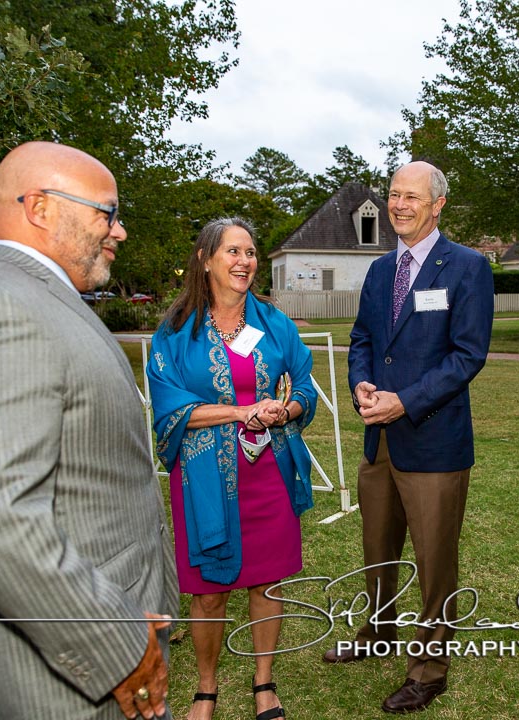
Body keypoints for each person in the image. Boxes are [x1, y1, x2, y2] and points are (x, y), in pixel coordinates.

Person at [0, 141, 177, 720]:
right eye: (105, 213)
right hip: (55, 679)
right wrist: (114, 646)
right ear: (39, 207)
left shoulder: (43, 299)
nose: (120, 230)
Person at [322, 161, 493, 713]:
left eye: (411, 197)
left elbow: (469, 355)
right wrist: (361, 386)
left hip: (433, 440)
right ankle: (377, 633)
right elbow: (364, 338)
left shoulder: (466, 267)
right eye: (393, 195)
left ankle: (430, 667)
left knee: (434, 559)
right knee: (377, 550)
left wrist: (406, 400)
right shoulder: (379, 271)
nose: (398, 205)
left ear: (437, 204)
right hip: (380, 440)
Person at [147, 217, 317, 720]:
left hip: (268, 475)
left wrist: (284, 410)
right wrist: (238, 411)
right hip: (203, 479)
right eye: (232, 252)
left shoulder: (273, 323)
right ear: (206, 259)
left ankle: (264, 682)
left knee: (268, 585)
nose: (244, 261)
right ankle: (205, 687)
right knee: (208, 595)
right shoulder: (176, 333)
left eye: (250, 252)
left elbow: (304, 387)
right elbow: (169, 409)